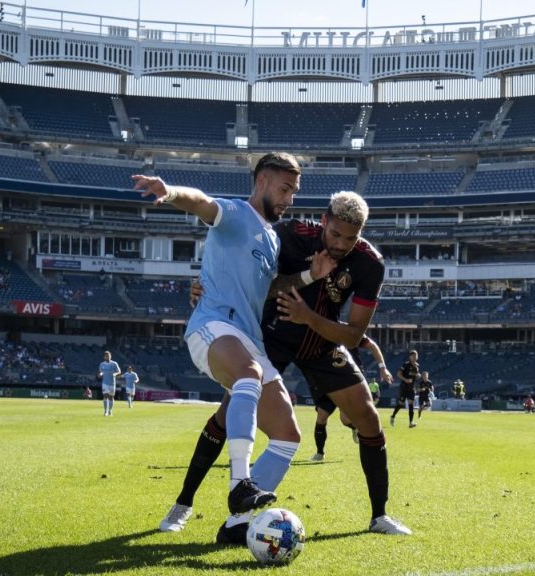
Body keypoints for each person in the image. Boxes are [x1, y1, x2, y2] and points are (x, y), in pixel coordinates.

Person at [158, 191, 411, 541]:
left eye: (350, 238)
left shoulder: (370, 264)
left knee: (367, 415)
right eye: (335, 234)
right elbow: (253, 281)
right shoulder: (291, 235)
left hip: (321, 341)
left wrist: (308, 317)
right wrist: (209, 289)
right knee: (228, 412)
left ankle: (379, 515)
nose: (341, 244)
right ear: (324, 221)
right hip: (270, 337)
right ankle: (183, 504)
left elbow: (354, 336)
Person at [136, 152, 301, 519]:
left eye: (294, 191)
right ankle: (240, 486)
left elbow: (267, 288)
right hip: (212, 327)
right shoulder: (236, 214)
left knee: (288, 435)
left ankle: (238, 524)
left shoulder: (272, 239)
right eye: (285, 189)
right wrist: (171, 191)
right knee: (249, 375)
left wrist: (311, 275)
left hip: (249, 341)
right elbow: (202, 203)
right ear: (261, 182)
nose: (290, 199)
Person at [311, 335, 393, 461]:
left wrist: (383, 368)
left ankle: (355, 428)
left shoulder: (346, 331)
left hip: (348, 379)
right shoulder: (316, 332)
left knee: (344, 419)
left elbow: (372, 345)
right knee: (321, 417)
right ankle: (320, 453)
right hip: (327, 380)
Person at [390, 350, 419, 428]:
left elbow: (414, 376)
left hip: (411, 388)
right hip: (404, 387)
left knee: (411, 404)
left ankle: (410, 422)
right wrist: (406, 380)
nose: (415, 357)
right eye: (413, 356)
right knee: (401, 403)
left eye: (416, 356)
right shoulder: (406, 365)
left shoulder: (417, 366)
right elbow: (398, 374)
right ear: (410, 357)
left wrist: (417, 376)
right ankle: (392, 416)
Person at [98, 351, 121, 417]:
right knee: (105, 396)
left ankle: (110, 411)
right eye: (106, 356)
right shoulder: (102, 364)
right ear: (104, 357)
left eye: (108, 356)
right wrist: (100, 374)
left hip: (112, 383)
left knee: (111, 397)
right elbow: (101, 372)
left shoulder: (114, 363)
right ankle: (105, 411)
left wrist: (115, 374)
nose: (107, 357)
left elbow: (119, 371)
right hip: (105, 383)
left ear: (110, 356)